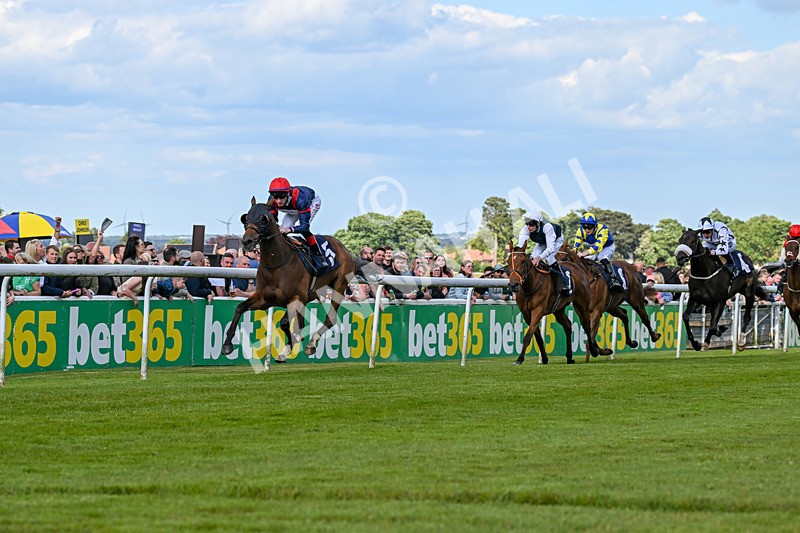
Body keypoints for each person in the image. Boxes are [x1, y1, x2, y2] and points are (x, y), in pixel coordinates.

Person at [267, 177, 324, 262]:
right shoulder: (271, 201)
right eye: (275, 197)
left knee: (301, 230)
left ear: (288, 193)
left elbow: (304, 226)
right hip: (293, 208)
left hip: (310, 202)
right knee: (282, 228)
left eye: (282, 196)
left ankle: (318, 255)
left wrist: (289, 229)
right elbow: (274, 221)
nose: (278, 201)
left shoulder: (300, 199)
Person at [518, 209, 571, 295]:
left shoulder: (547, 227)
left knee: (549, 258)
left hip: (557, 239)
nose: (528, 227)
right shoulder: (526, 229)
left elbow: (550, 248)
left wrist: (539, 258)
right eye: (527, 223)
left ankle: (564, 280)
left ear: (538, 223)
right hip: (542, 241)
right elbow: (520, 246)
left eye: (531, 224)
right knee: (532, 257)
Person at [573, 211, 621, 292]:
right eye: (585, 227)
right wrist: (574, 252)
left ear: (595, 226)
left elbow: (598, 247)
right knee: (585, 260)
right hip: (593, 247)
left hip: (607, 247)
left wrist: (583, 254)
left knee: (601, 257)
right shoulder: (580, 230)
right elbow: (577, 243)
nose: (587, 230)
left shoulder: (603, 229)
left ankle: (614, 279)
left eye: (589, 227)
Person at [775, 224, 800, 295]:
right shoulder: (788, 241)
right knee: (784, 268)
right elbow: (783, 254)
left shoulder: (788, 240)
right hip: (789, 260)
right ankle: (780, 290)